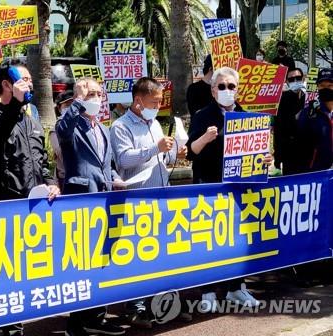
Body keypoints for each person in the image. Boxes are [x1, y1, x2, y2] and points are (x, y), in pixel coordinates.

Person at [0, 61, 60, 336]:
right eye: (23, 79)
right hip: (2, 213)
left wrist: (50, 183)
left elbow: (42, 161)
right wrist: (14, 105)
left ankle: (16, 326)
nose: (30, 84)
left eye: (30, 80)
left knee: (23, 276)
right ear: (6, 85)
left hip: (32, 213)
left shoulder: (32, 121)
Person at [186, 67, 268, 311]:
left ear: (238, 89)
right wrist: (204, 139)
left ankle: (236, 288)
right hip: (209, 188)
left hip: (239, 189)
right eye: (221, 86)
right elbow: (191, 152)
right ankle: (208, 291)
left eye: (231, 86)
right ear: (213, 91)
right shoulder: (203, 116)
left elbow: (258, 155)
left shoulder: (248, 117)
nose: (226, 91)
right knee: (208, 240)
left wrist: (265, 160)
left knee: (238, 239)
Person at [110, 77, 187, 328]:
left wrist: (175, 152)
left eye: (160, 101)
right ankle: (135, 306)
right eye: (154, 101)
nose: (158, 105)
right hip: (136, 200)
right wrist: (155, 148)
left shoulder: (154, 123)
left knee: (159, 253)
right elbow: (123, 160)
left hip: (160, 198)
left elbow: (160, 157)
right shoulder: (120, 126)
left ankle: (160, 303)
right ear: (138, 101)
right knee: (137, 255)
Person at [56, 78, 125, 336]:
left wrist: (116, 179)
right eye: (90, 94)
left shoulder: (104, 129)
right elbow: (62, 130)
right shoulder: (71, 125)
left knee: (101, 260)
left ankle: (97, 316)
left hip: (104, 199)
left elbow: (107, 165)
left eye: (98, 93)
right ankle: (77, 322)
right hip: (81, 200)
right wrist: (78, 101)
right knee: (83, 263)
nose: (96, 98)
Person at [295, 68, 333, 172]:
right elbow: (299, 147)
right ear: (317, 87)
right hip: (317, 175)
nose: (326, 89)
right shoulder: (308, 113)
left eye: (330, 86)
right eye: (322, 86)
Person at [273, 68, 307, 175]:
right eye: (292, 79)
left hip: (308, 151)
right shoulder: (282, 100)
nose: (295, 81)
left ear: (303, 78)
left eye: (298, 78)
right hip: (289, 152)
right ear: (287, 82)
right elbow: (278, 130)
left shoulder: (309, 99)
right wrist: (278, 159)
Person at [49, 90, 74, 190]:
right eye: (67, 105)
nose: (71, 108)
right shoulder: (54, 130)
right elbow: (62, 153)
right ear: (59, 108)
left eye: (73, 104)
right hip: (65, 178)